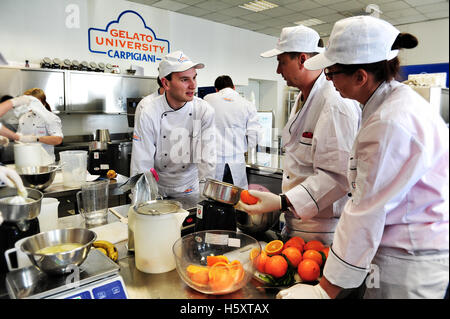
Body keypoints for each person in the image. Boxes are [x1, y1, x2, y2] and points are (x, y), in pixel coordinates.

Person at [277, 15, 449, 299]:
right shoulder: (389, 106)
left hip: (407, 258)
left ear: (360, 77)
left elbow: (367, 211)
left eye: (332, 74)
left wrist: (324, 291)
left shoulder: (391, 122)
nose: (329, 82)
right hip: (398, 248)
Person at [236, 25, 361, 245]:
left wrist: (282, 202)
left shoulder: (334, 103)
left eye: (281, 62)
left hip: (323, 232)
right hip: (299, 222)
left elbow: (337, 177)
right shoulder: (303, 97)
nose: (277, 71)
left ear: (302, 59)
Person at [130, 50, 216, 198]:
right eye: (184, 80)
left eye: (194, 78)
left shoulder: (203, 110)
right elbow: (141, 163)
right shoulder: (149, 111)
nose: (193, 85)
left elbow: (207, 161)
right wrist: (142, 201)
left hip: (190, 185)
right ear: (166, 83)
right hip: (158, 186)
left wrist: (206, 198)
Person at [203, 75, 261, 188]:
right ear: (234, 87)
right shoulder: (247, 104)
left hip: (213, 161)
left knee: (212, 197)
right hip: (236, 161)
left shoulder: (207, 99)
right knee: (235, 198)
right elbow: (255, 136)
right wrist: (245, 145)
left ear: (216, 89)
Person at [0, 88, 63, 162]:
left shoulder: (50, 117)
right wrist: (6, 138)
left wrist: (36, 138)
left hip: (44, 162)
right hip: (25, 160)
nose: (26, 106)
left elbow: (58, 140)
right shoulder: (23, 117)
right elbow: (20, 138)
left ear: (39, 102)